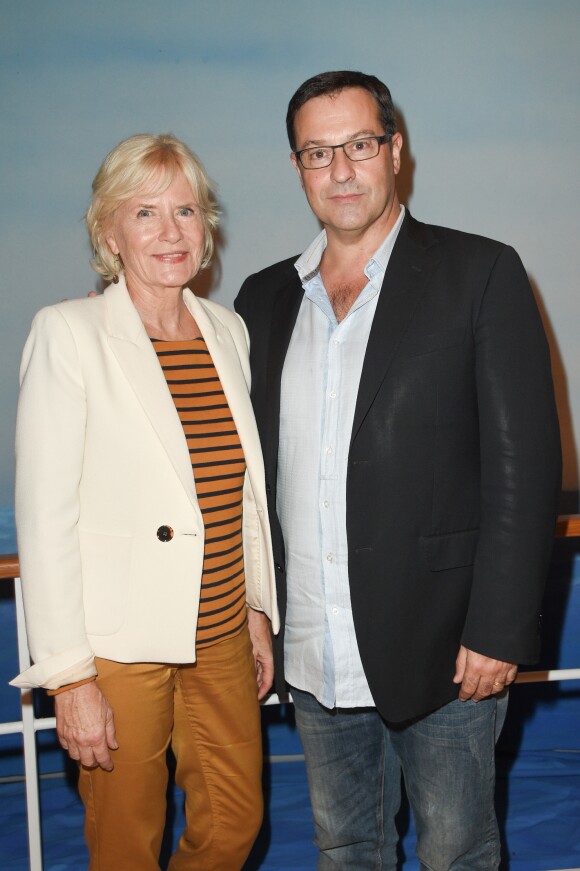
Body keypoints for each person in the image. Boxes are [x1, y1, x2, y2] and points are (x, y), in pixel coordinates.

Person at [235, 71, 561, 870]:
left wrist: (496, 628)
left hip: (448, 650)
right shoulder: (263, 299)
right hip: (313, 652)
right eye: (319, 152)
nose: (341, 169)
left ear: (396, 150)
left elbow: (524, 469)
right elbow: (249, 480)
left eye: (359, 145)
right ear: (297, 166)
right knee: (345, 850)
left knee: (457, 851)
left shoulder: (481, 274)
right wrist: (255, 607)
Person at [11, 133, 279, 871]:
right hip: (117, 649)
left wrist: (257, 608)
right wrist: (69, 677)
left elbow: (242, 493)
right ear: (110, 232)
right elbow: (45, 516)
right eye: (147, 212)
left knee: (235, 820)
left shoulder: (228, 331)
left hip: (221, 632)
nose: (171, 231)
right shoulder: (69, 334)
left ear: (207, 225)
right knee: (127, 842)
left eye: (187, 210)